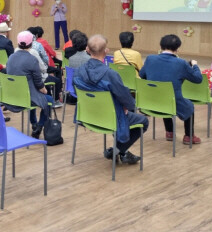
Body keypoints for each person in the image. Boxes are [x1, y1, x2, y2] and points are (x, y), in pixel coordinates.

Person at [73, 34, 149, 164]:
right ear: (106, 51)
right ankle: (118, 150)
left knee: (122, 110)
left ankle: (121, 152)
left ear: (87, 49)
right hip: (110, 117)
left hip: (87, 115)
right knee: (143, 120)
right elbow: (128, 100)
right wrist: (126, 106)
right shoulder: (111, 74)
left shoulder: (78, 71)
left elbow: (79, 93)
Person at [139, 34, 203, 144]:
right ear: (177, 49)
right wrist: (195, 65)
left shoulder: (150, 59)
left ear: (161, 46)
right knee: (188, 105)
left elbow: (141, 74)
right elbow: (198, 79)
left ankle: (169, 132)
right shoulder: (181, 63)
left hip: (151, 101)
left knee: (164, 94)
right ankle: (189, 136)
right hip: (172, 102)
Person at [6, 31, 54, 139]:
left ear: (17, 43)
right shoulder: (32, 59)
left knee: (33, 95)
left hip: (13, 96)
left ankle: (34, 123)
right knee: (49, 99)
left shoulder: (11, 57)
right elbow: (38, 82)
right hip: (27, 96)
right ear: (31, 44)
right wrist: (43, 89)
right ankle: (39, 127)